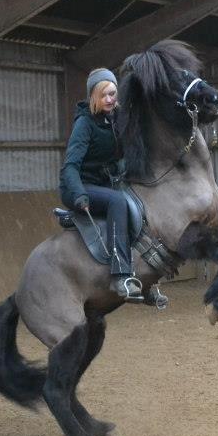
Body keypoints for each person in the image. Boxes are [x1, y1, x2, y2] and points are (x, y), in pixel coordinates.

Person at [59, 68, 142, 302]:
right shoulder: (84, 124)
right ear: (93, 97)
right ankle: (121, 275)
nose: (109, 99)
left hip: (106, 184)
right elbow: (70, 167)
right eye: (103, 95)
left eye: (113, 94)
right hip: (79, 187)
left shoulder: (116, 118)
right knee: (117, 200)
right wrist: (78, 195)